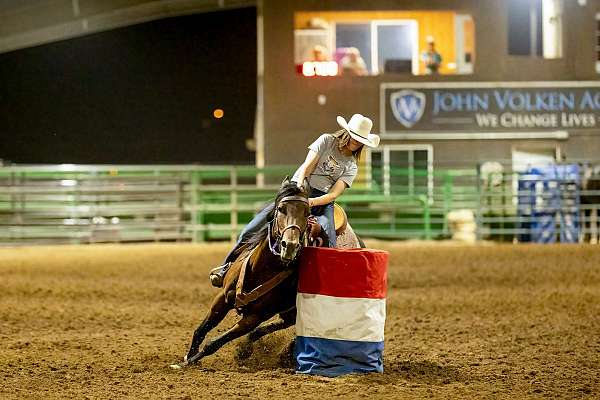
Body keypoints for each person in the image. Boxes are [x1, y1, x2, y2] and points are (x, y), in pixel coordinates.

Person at [209, 114, 381, 287]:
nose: (357, 143)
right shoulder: (326, 141)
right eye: (355, 138)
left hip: (321, 201)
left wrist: (312, 203)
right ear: (347, 133)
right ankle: (226, 266)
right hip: (299, 189)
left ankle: (323, 284)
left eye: (361, 141)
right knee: (251, 229)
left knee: (329, 241)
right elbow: (307, 167)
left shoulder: (351, 165)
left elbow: (334, 194)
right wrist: (300, 191)